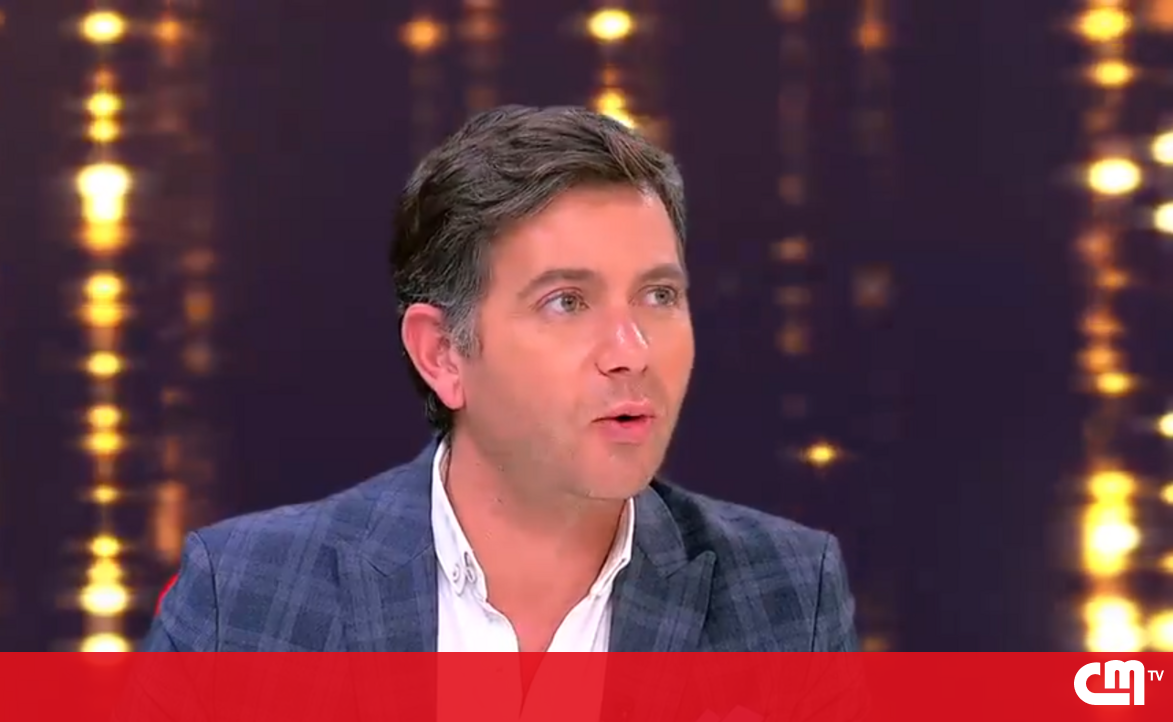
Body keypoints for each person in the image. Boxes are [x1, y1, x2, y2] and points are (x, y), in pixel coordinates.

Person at [140, 105, 858, 654]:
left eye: (659, 295)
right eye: (567, 302)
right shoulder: (243, 600)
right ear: (442, 355)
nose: (631, 351)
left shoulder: (789, 597)